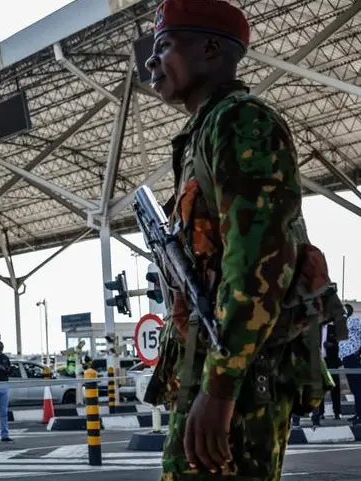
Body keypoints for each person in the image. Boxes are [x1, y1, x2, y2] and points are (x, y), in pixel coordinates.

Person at [145, 1, 339, 479]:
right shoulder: (202, 134)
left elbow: (258, 265)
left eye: (165, 46)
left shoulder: (241, 121)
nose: (151, 62)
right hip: (220, 367)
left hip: (243, 374)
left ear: (210, 50)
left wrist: (220, 388)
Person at [338, 304, 361, 425]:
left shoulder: (354, 321)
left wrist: (359, 350)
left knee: (358, 389)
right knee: (354, 389)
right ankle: (358, 414)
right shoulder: (342, 324)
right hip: (346, 358)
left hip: (353, 357)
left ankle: (360, 416)